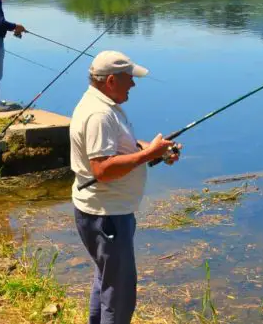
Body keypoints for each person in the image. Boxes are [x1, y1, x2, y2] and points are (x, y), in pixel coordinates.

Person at [70, 50, 181, 324]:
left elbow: (116, 151)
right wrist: (147, 155)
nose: (133, 84)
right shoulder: (99, 114)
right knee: (119, 296)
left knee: (106, 282)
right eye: (129, 78)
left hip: (104, 213)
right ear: (110, 81)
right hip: (107, 217)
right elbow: (103, 169)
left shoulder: (103, 106)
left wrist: (154, 151)